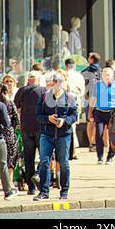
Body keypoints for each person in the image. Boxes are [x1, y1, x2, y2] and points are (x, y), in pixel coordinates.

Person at [34, 73, 78, 201]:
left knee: (64, 162)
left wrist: (64, 121)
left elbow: (74, 115)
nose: (57, 84)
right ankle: (44, 192)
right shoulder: (44, 97)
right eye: (54, 82)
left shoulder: (70, 98)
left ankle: (64, 191)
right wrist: (48, 118)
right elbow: (37, 116)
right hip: (46, 135)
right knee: (44, 162)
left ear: (63, 83)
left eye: (59, 82)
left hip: (63, 135)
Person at [15, 71, 46, 195]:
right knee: (45, 156)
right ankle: (38, 176)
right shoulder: (44, 91)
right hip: (40, 127)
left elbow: (15, 105)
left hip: (26, 127)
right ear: (38, 80)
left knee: (28, 159)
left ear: (29, 80)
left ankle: (31, 188)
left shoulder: (22, 91)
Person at [89, 67, 115, 165]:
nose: (106, 76)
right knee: (99, 134)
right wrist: (90, 112)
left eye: (108, 74)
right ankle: (100, 157)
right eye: (104, 74)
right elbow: (93, 99)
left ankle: (110, 157)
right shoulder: (97, 85)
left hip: (112, 112)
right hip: (99, 112)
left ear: (112, 76)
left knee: (112, 135)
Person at [65, 58, 85, 159]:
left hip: (65, 101)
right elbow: (82, 92)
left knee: (67, 126)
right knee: (73, 126)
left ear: (66, 66)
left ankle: (71, 150)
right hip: (76, 101)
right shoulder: (79, 75)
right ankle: (74, 150)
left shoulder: (64, 75)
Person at [81, 53, 102, 152]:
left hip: (89, 98)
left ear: (91, 60)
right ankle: (98, 143)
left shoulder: (85, 72)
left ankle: (91, 143)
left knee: (90, 121)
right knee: (100, 122)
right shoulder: (103, 72)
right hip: (101, 99)